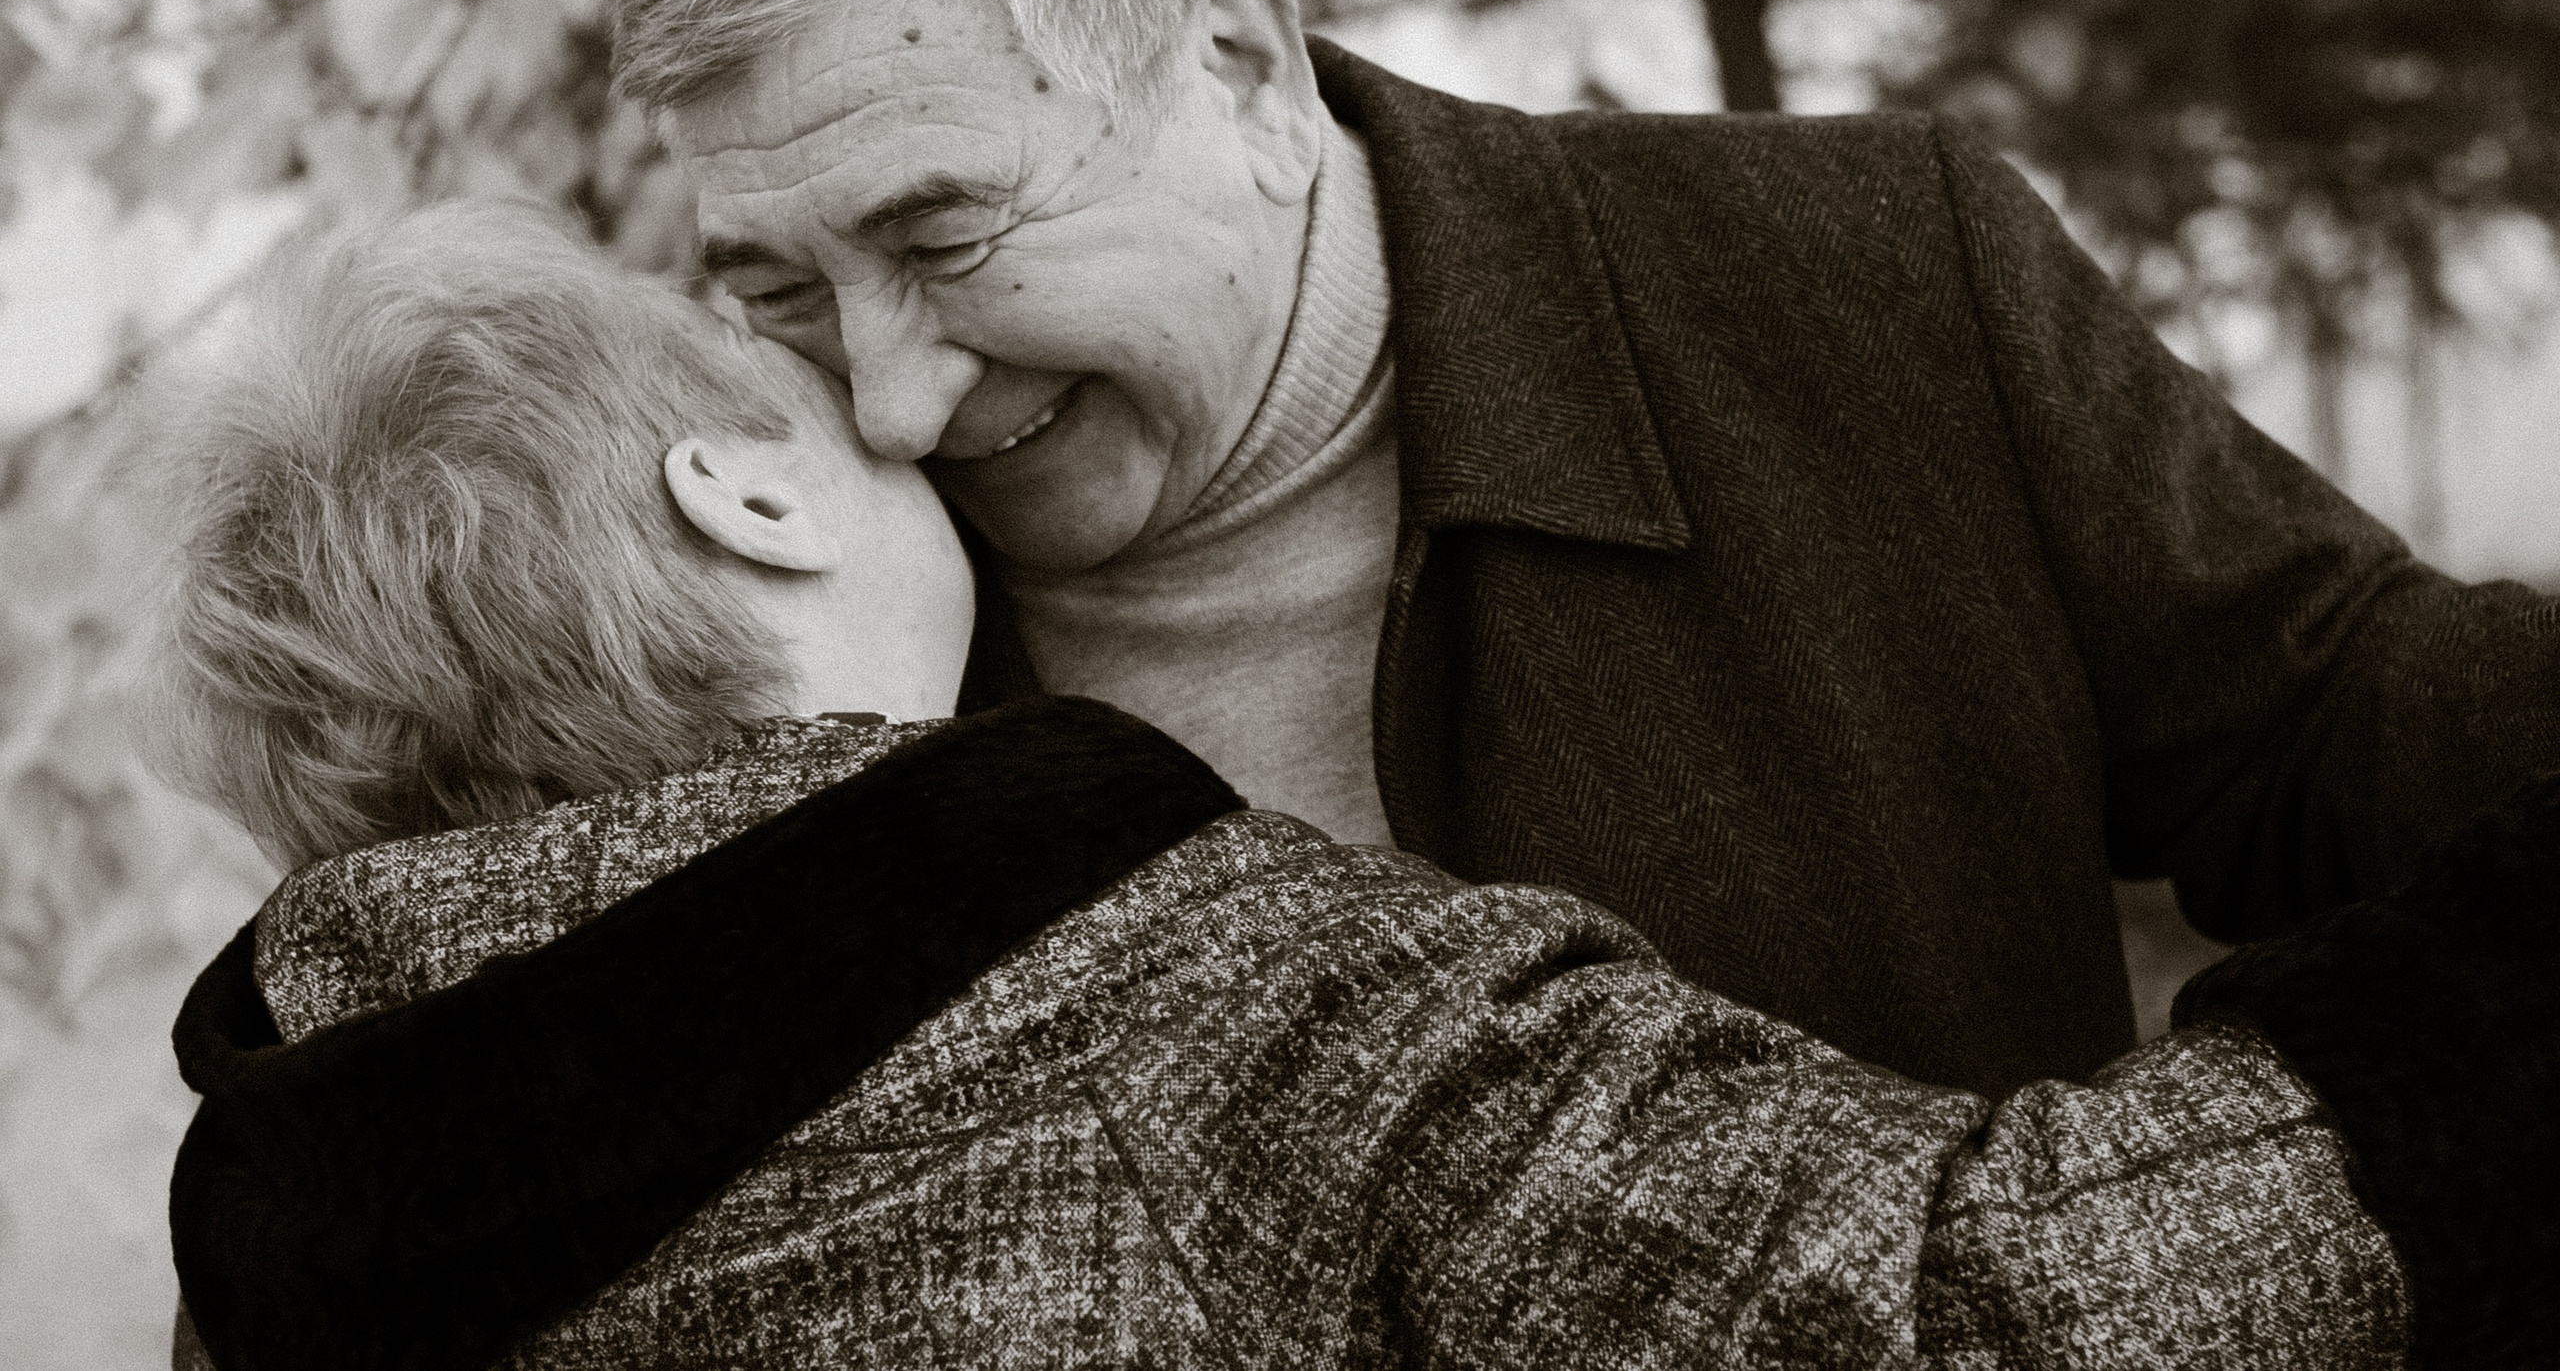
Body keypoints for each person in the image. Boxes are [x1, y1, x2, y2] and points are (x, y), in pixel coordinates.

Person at [613, 0, 2560, 1105]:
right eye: (779, 285)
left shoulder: (1864, 283)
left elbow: (2358, 728)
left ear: (1235, 62)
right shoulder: (742, 579)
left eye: (944, 238)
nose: (875, 402)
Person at [159, 204, 2552, 1370]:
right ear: (743, 496)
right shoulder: (1155, 987)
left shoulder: (279, 1235)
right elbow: (1976, 1305)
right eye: (779, 359)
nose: (892, 399)